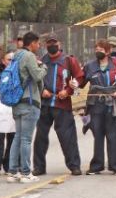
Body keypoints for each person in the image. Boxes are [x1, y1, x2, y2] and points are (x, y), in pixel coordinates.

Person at [31, 37, 84, 176]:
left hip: (62, 104)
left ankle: (74, 166)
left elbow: (79, 77)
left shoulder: (69, 60)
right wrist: (42, 91)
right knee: (40, 138)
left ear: (59, 44)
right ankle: (39, 167)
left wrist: (68, 91)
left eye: (54, 43)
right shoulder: (42, 61)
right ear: (45, 45)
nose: (52, 45)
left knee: (68, 137)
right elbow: (36, 79)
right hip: (45, 105)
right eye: (49, 43)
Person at [81, 39, 116, 176]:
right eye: (96, 49)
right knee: (98, 135)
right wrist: (73, 83)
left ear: (107, 51)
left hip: (112, 104)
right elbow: (81, 81)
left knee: (113, 135)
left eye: (101, 49)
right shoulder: (89, 66)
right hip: (95, 105)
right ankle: (97, 166)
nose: (98, 51)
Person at [8, 32, 46, 183]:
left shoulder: (16, 55)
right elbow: (37, 76)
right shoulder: (29, 56)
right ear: (32, 43)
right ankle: (25, 172)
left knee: (17, 137)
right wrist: (44, 68)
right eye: (38, 43)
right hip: (29, 101)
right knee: (26, 139)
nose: (39, 46)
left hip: (16, 101)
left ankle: (12, 171)